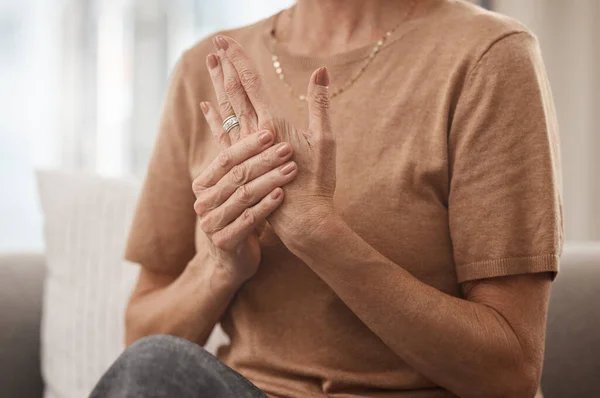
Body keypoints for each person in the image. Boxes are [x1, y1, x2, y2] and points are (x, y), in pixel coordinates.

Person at [90, 0, 563, 397]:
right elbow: (140, 342)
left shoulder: (489, 56)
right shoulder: (207, 69)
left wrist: (321, 237)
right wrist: (218, 268)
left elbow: (513, 372)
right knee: (153, 365)